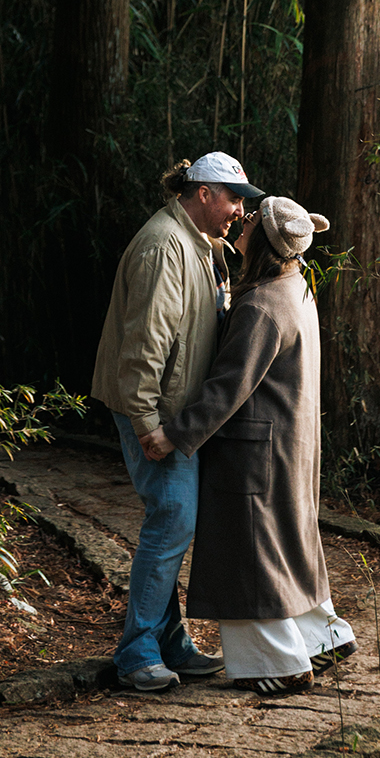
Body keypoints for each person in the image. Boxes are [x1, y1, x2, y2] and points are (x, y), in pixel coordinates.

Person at [142, 195, 357, 696]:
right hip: (286, 440)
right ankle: (321, 636)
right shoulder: (294, 287)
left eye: (253, 218)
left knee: (252, 554)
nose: (243, 218)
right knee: (287, 542)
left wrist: (173, 433)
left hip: (254, 450)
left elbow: (227, 387)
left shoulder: (261, 306)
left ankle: (278, 661)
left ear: (262, 238)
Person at [90, 150, 262, 692]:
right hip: (154, 410)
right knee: (173, 518)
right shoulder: (165, 247)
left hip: (177, 411)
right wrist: (145, 423)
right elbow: (144, 344)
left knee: (175, 519)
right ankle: (137, 650)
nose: (240, 209)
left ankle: (170, 643)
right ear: (203, 193)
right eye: (234, 198)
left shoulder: (203, 245)